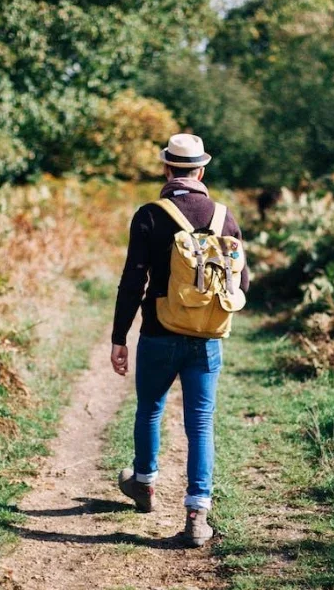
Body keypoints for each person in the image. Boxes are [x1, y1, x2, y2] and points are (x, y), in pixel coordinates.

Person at [110, 133, 249, 547]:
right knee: (200, 423)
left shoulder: (150, 214)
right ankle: (196, 514)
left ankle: (144, 484)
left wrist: (120, 337)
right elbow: (242, 281)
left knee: (150, 409)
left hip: (157, 332)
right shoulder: (225, 217)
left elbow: (133, 281)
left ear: (167, 169)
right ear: (201, 171)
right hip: (207, 338)